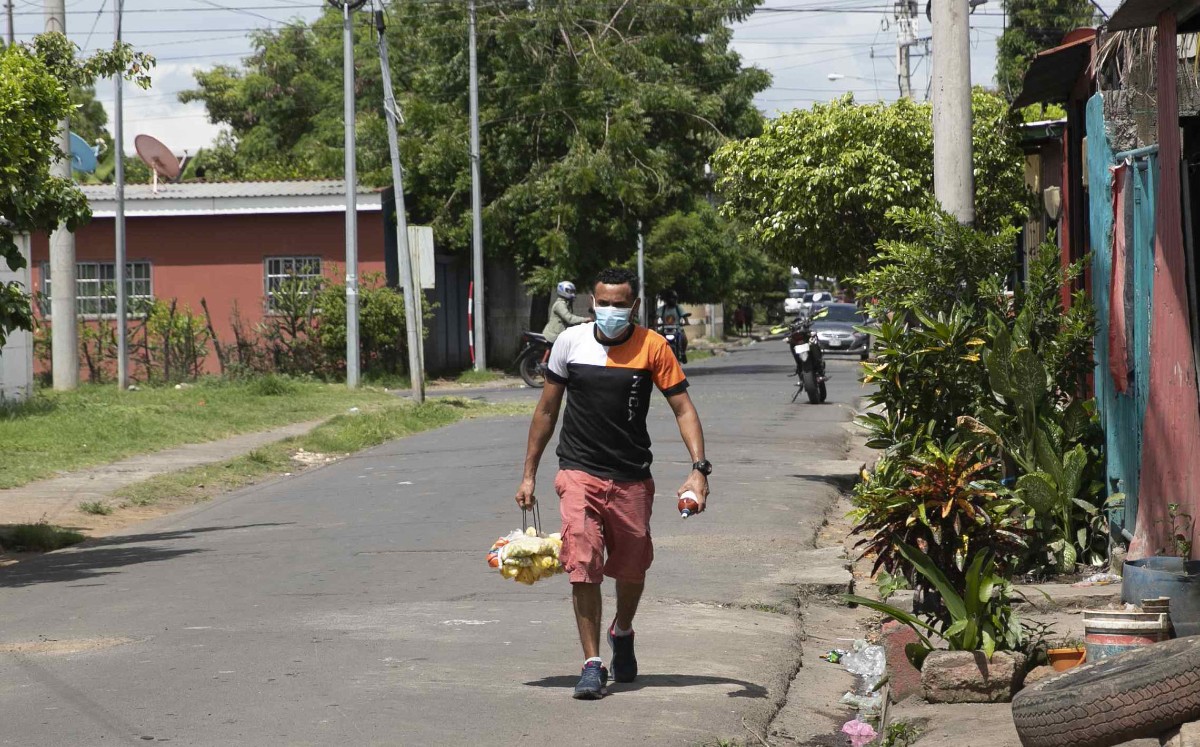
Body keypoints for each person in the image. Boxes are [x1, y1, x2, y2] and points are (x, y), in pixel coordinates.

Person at [514, 267, 712, 701]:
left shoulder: (653, 347)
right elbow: (547, 411)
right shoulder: (570, 342)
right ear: (591, 303)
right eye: (603, 303)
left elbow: (683, 409)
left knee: (632, 567)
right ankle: (591, 663)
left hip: (631, 477)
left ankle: (622, 630)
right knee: (582, 561)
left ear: (634, 306)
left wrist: (699, 468)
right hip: (578, 471)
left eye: (620, 304)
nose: (610, 310)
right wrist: (529, 472)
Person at [655, 289, 689, 363]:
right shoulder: (662, 309)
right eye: (670, 298)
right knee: (658, 341)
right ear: (666, 299)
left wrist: (686, 322)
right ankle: (659, 356)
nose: (672, 300)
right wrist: (656, 324)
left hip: (677, 329)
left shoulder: (678, 308)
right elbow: (656, 318)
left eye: (673, 298)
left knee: (684, 339)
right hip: (665, 329)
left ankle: (683, 353)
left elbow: (685, 317)